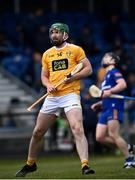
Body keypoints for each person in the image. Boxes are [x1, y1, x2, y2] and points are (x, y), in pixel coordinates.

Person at [15, 22, 95, 177]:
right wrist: (48, 85)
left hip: (70, 93)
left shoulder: (75, 50)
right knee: (38, 132)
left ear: (65, 34)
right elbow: (44, 76)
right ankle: (30, 164)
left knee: (77, 128)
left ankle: (85, 165)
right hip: (52, 97)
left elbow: (88, 69)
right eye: (52, 32)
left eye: (57, 32)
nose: (54, 35)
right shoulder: (47, 54)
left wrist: (73, 78)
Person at [91, 52, 135, 169]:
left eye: (107, 57)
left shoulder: (114, 72)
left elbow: (122, 84)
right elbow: (107, 96)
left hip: (114, 107)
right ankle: (127, 146)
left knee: (113, 134)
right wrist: (99, 103)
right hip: (105, 108)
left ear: (113, 61)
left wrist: (111, 91)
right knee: (99, 137)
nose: (104, 58)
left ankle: (130, 160)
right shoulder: (105, 78)